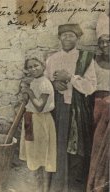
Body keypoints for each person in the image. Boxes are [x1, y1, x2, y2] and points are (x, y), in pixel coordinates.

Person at [45, 24, 97, 191]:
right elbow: (44, 82)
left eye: (71, 35)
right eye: (64, 35)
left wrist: (70, 78)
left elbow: (90, 87)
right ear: (59, 38)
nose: (67, 38)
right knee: (58, 147)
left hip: (79, 110)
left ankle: (75, 188)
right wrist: (53, 83)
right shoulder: (52, 59)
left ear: (78, 38)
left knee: (78, 149)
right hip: (58, 110)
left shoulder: (86, 58)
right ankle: (58, 187)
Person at [20, 57, 56, 192]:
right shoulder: (34, 81)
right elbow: (28, 102)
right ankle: (37, 188)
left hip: (41, 121)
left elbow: (40, 106)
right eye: (29, 67)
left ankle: (45, 189)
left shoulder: (45, 83)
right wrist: (25, 92)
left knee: (43, 156)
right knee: (33, 154)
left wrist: (29, 92)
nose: (33, 69)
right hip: (30, 119)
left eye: (36, 66)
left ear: (43, 66)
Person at [87, 11, 109, 192]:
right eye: (101, 41)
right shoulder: (94, 60)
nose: (105, 44)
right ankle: (94, 184)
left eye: (108, 41)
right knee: (97, 144)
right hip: (96, 104)